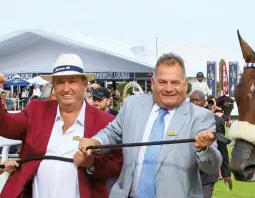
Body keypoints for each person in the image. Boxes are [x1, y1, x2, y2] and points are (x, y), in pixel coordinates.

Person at [75, 53, 222, 198]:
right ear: (153, 83)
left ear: (185, 85)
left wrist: (203, 149)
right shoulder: (133, 105)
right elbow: (112, 133)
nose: (168, 88)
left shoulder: (201, 117)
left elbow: (212, 166)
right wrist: (95, 142)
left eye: (175, 82)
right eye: (162, 82)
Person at [0, 53, 123, 198]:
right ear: (54, 86)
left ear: (84, 84)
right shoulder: (37, 110)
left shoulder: (105, 121)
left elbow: (119, 162)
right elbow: (3, 126)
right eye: (60, 82)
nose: (66, 88)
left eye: (72, 82)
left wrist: (92, 163)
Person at [189, 90, 232, 198]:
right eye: (192, 100)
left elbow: (222, 147)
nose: (194, 103)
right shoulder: (182, 119)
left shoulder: (216, 121)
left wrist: (226, 172)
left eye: (197, 100)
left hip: (207, 173)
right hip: (187, 172)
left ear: (204, 102)